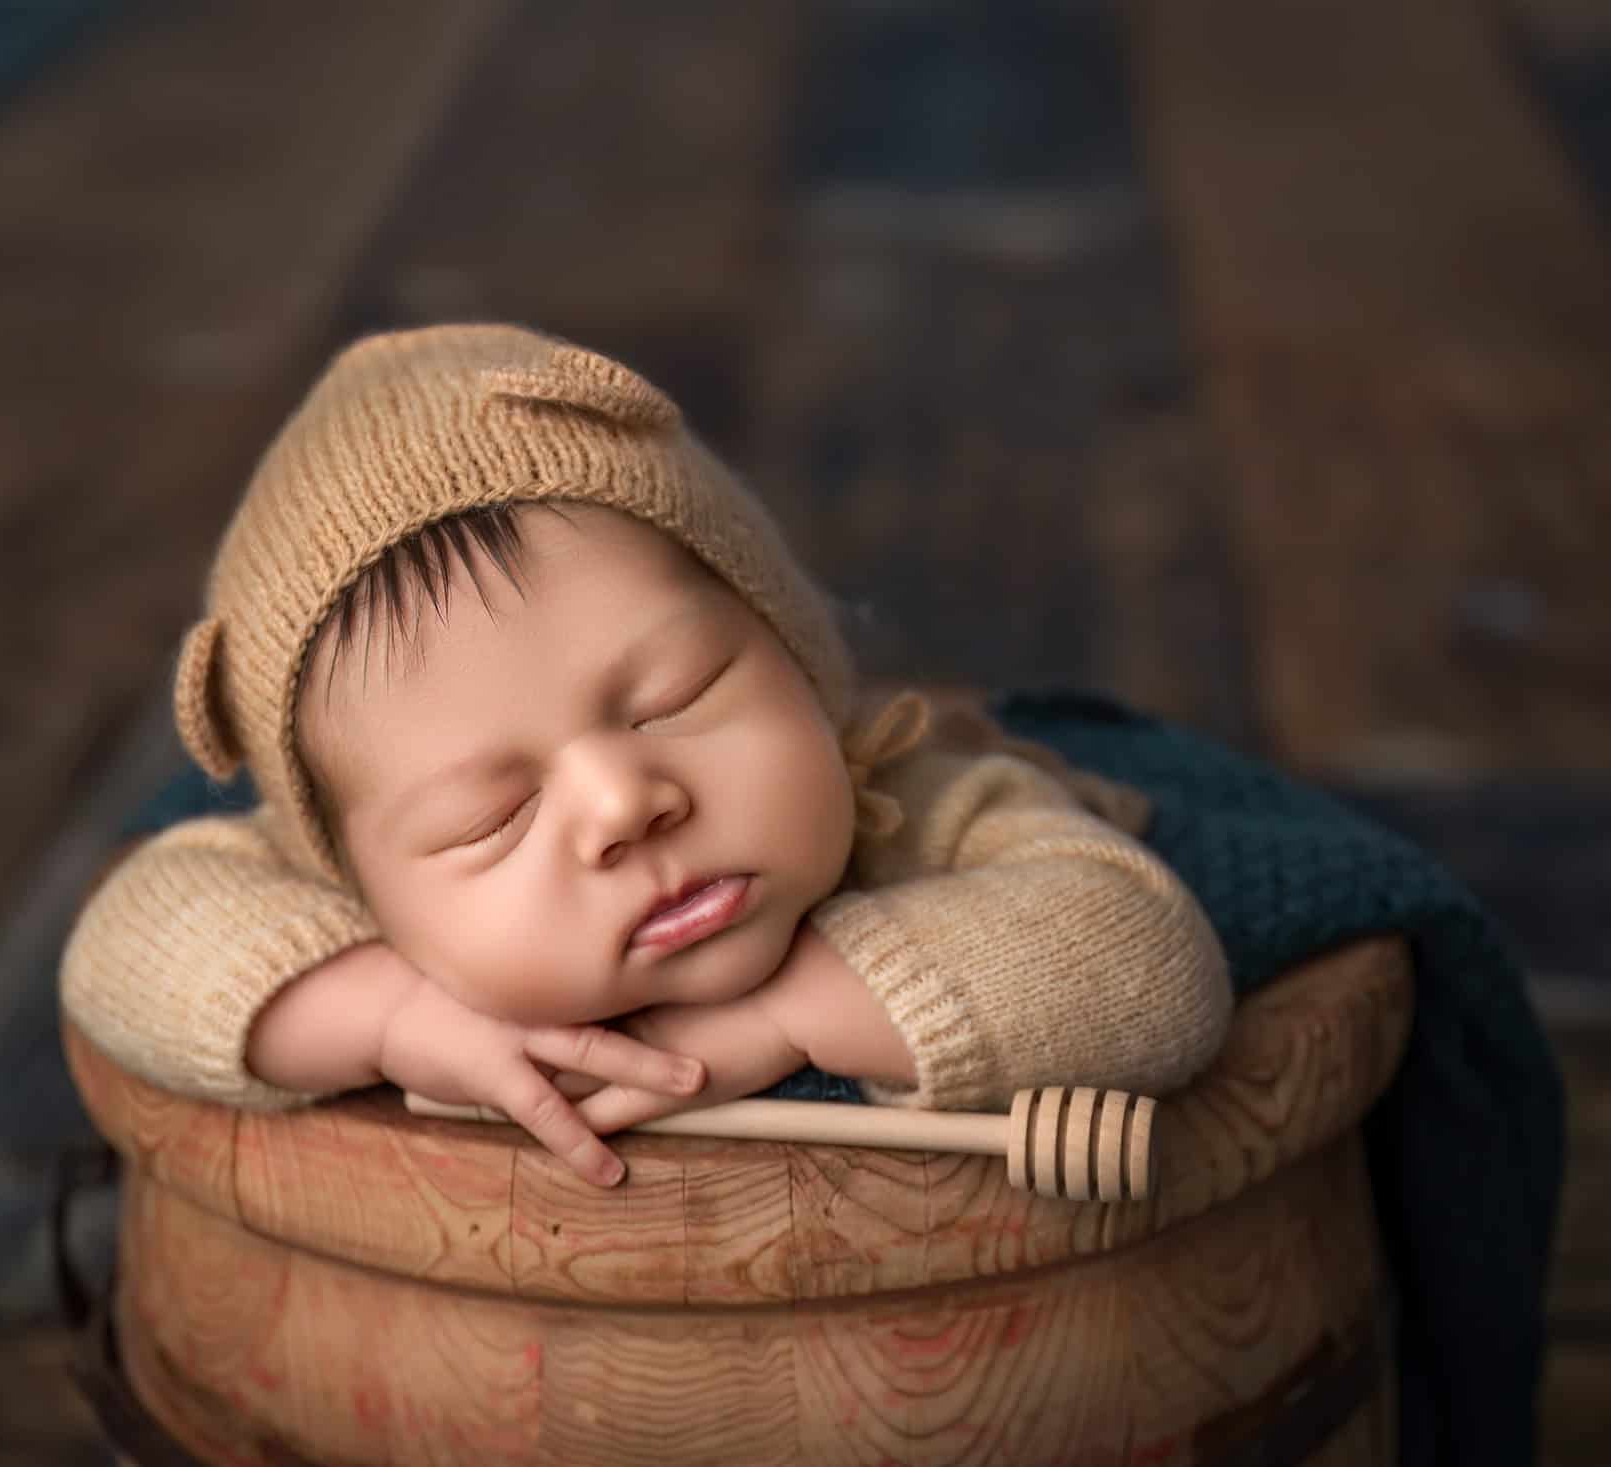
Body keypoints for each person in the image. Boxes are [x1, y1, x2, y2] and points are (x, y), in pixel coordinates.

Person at [59, 323, 1232, 1187]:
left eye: (674, 697)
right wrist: (386, 1013)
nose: (623, 801)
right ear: (358, 885)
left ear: (793, 653)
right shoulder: (359, 924)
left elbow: (1143, 962)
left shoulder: (916, 805)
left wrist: (786, 1018)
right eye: (489, 818)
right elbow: (126, 941)